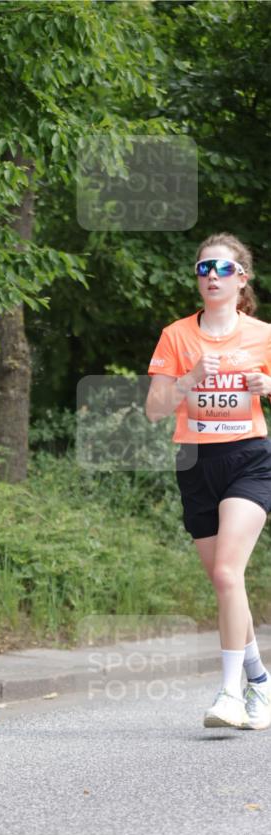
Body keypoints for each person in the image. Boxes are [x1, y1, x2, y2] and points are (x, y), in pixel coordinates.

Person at [146, 232, 271, 730]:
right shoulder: (177, 336)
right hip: (196, 464)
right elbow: (155, 411)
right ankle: (260, 680)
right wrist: (189, 379)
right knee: (226, 585)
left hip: (249, 459)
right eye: (204, 269)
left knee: (226, 574)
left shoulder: (263, 334)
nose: (212, 278)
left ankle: (229, 694)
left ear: (242, 279)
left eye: (222, 269)